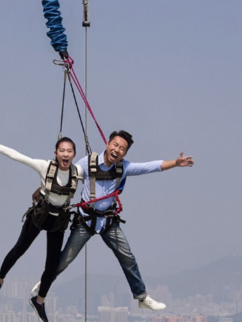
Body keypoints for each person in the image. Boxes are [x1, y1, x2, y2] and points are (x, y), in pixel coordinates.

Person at [31, 130, 194, 310]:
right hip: (86, 220)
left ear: (125, 153)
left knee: (128, 258)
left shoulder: (123, 168)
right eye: (115, 145)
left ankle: (141, 296)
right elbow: (64, 175)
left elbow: (151, 166)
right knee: (65, 259)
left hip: (108, 222)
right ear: (107, 144)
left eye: (122, 148)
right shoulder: (87, 163)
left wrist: (176, 163)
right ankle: (44, 283)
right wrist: (43, 189)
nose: (117, 150)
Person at [0, 129, 84, 322]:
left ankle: (39, 301)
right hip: (40, 215)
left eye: (69, 151)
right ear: (55, 153)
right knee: (19, 249)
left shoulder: (77, 172)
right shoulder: (45, 167)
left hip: (59, 220)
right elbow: (17, 156)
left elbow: (98, 169)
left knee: (52, 265)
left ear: (74, 154)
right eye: (62, 150)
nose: (65, 154)